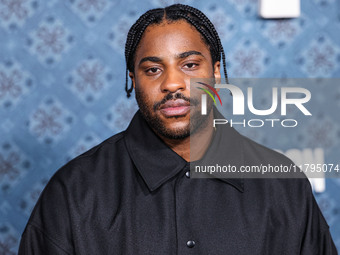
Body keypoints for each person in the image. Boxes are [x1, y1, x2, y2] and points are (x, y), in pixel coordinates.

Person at [18, 4, 337, 254]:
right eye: (153, 69)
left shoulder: (283, 184)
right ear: (132, 80)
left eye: (189, 65)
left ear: (215, 72)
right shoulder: (74, 192)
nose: (172, 83)